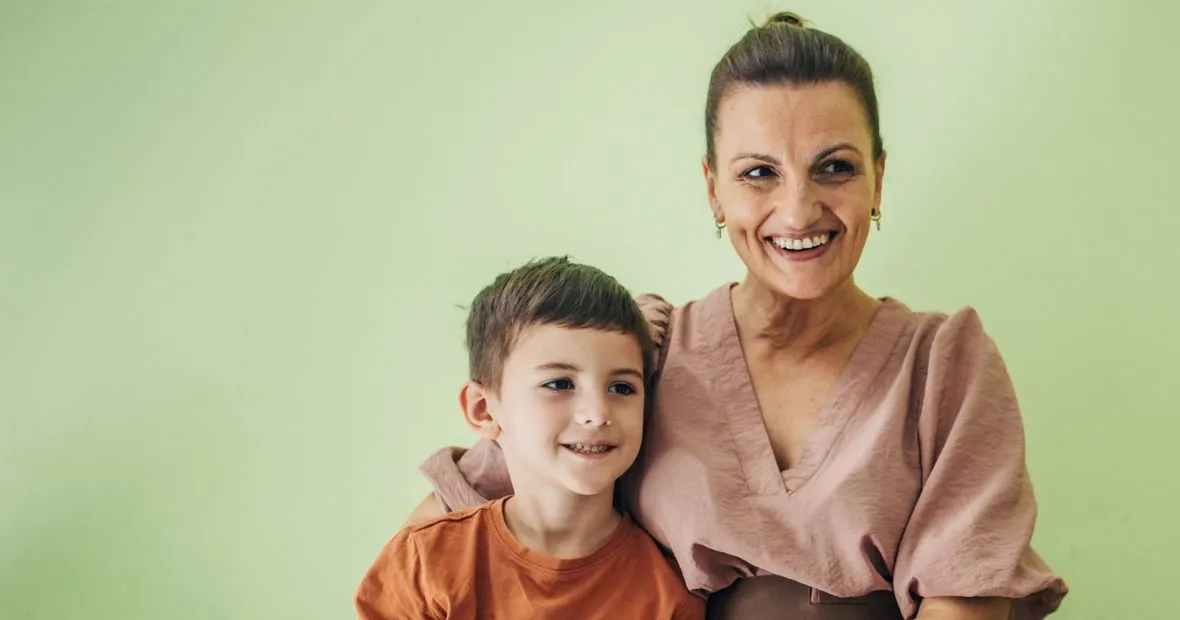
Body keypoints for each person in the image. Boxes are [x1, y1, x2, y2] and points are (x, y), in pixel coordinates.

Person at [404, 12, 1067, 620]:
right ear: (713, 187)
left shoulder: (946, 366)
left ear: (879, 180)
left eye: (834, 167)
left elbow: (966, 606)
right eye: (758, 174)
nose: (800, 209)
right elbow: (454, 520)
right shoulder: (637, 353)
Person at [357, 257, 704, 619]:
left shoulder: (669, 595)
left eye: (621, 387)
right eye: (559, 384)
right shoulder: (424, 563)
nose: (597, 413)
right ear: (483, 410)